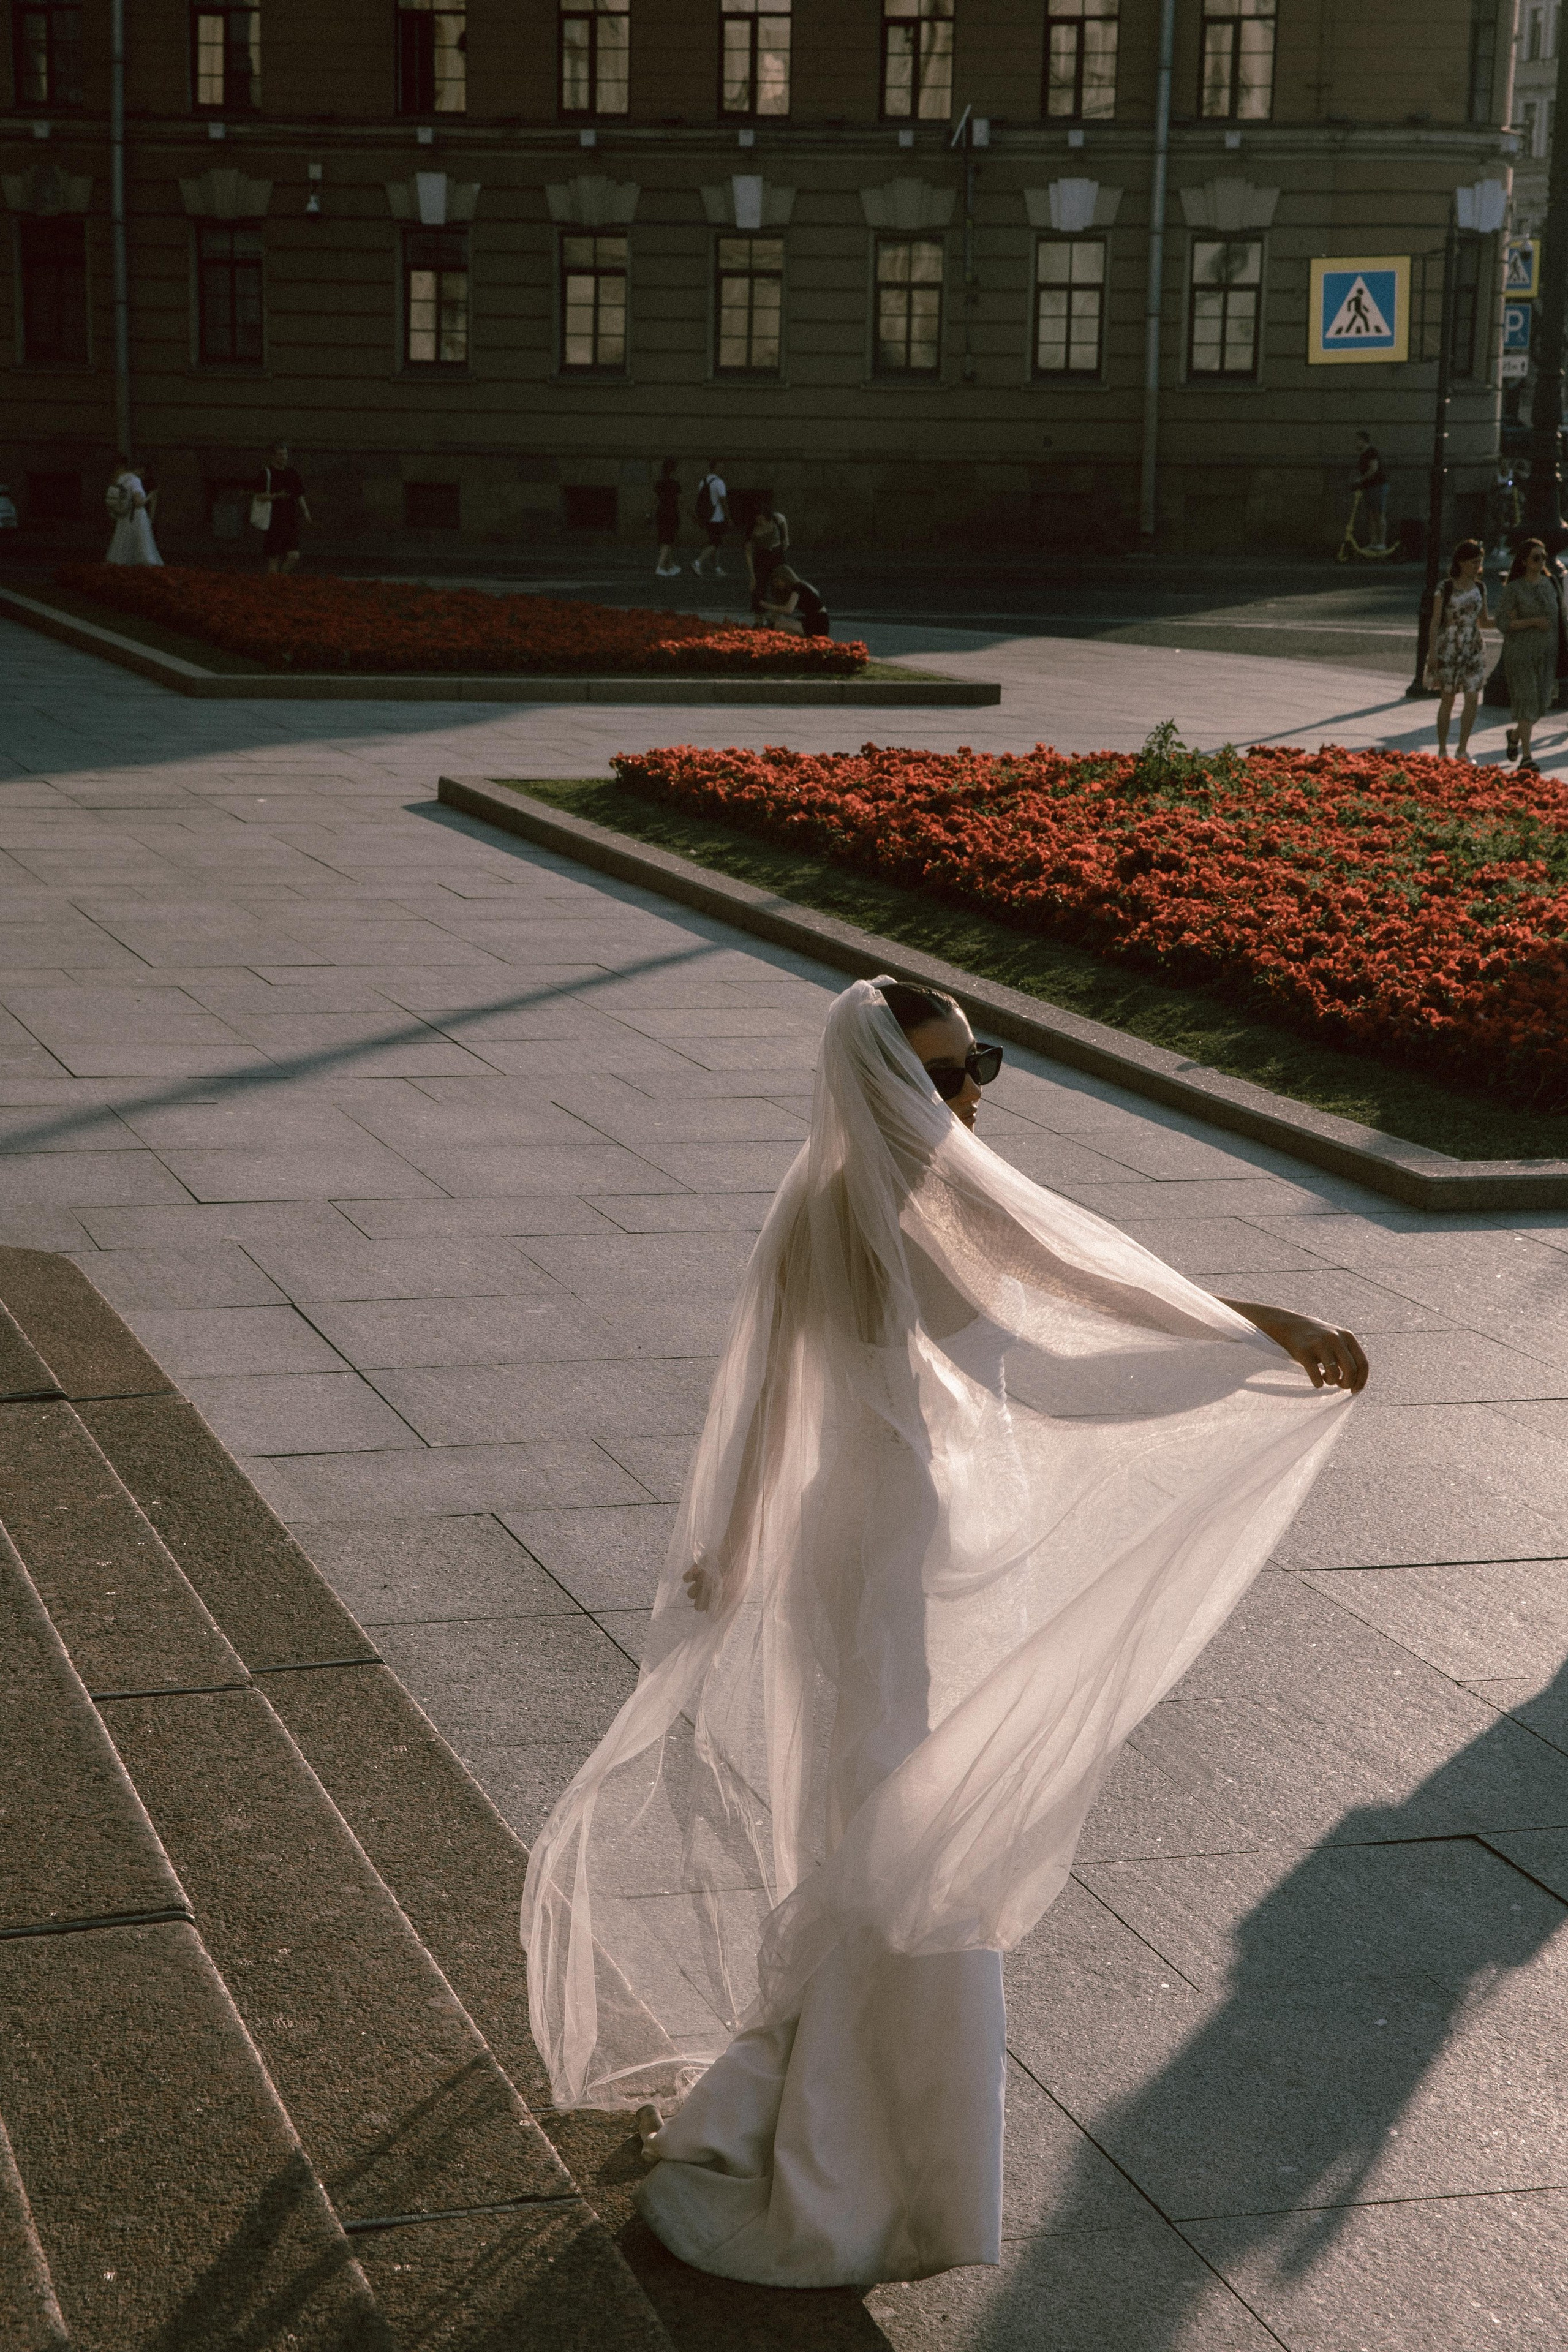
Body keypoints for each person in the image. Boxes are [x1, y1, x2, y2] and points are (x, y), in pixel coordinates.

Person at [522, 976, 1367, 2290]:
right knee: (912, 1838)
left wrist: (738, 1539)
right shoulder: (938, 1205)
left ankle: (807, 2105)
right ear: (887, 1086)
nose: (967, 1092)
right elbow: (1086, 1338)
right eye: (942, 1073)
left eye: (979, 1063)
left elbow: (767, 1403)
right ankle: (856, 2157)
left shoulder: (817, 1199)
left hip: (839, 1544)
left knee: (876, 1820)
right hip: (901, 1551)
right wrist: (1260, 1335)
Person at [1495, 536, 1562, 770]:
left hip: (1547, 654)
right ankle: (1527, 757)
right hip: (1521, 653)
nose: (1542, 560)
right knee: (1527, 704)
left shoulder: (1552, 583)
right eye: (1536, 557)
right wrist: (1531, 622)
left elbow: (1560, 617)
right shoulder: (1514, 588)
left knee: (1541, 705)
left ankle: (1514, 737)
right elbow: (1502, 623)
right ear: (1524, 561)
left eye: (1544, 557)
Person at [1422, 538, 1491, 760]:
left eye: (1479, 561)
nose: (1476, 566)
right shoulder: (1446, 587)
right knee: (1448, 699)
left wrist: (1509, 621)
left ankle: (1462, 749)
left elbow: (1483, 621)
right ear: (1461, 562)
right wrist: (1432, 653)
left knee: (1472, 697)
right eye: (1472, 561)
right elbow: (1434, 622)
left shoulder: (1480, 587)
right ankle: (1443, 750)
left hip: (1473, 645)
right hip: (1449, 645)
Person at [252, 441, 311, 575]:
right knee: (274, 558)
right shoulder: (267, 474)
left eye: (285, 454)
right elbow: (260, 496)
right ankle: (274, 586)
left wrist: (305, 511)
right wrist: (277, 495)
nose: (284, 457)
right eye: (280, 455)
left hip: (290, 520)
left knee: (294, 555)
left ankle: (281, 579)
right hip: (273, 520)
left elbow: (299, 494)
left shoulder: (292, 473)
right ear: (273, 456)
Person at [104, 457, 162, 566]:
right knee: (142, 546)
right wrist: (150, 496)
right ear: (140, 469)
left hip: (123, 515)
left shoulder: (121, 478)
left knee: (122, 543)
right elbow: (138, 503)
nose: (143, 475)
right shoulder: (135, 480)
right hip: (136, 517)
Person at [744, 493, 790, 621]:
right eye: (758, 519)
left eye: (763, 519)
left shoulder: (777, 519)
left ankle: (775, 618)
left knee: (779, 586)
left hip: (777, 554)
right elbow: (748, 553)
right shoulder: (752, 528)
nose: (761, 522)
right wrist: (752, 576)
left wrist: (784, 544)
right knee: (759, 588)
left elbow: (785, 537)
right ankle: (759, 619)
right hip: (761, 556)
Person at [757, 564, 831, 638]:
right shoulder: (798, 588)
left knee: (777, 626)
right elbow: (780, 611)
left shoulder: (798, 587)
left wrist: (766, 606)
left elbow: (788, 610)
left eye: (777, 581)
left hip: (817, 622)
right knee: (781, 629)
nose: (776, 585)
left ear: (785, 578)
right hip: (816, 621)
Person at [690, 461, 728, 577]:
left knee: (714, 544)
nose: (722, 469)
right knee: (715, 544)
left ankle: (717, 569)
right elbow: (723, 501)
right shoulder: (719, 483)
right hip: (717, 518)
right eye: (720, 467)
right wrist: (729, 517)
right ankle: (697, 562)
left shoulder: (703, 482)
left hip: (707, 517)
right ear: (714, 468)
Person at [1353, 430, 1388, 549]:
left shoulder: (1371, 452)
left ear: (1363, 441)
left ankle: (1381, 543)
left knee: (1378, 514)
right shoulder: (1364, 454)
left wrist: (1361, 480)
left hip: (1377, 486)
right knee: (1371, 515)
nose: (1356, 443)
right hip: (1370, 487)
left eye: (1358, 440)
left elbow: (1374, 469)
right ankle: (1374, 542)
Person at [651, 458, 681, 577]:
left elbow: (654, 500)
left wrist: (649, 513)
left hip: (661, 514)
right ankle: (660, 566)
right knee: (667, 541)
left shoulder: (660, 483)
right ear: (673, 470)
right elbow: (681, 501)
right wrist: (692, 515)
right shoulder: (675, 484)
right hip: (672, 513)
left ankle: (669, 565)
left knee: (665, 539)